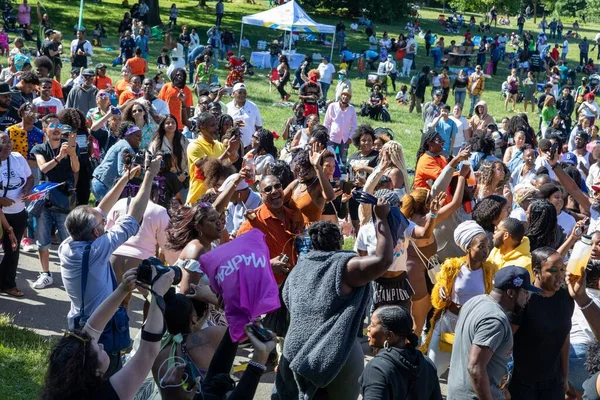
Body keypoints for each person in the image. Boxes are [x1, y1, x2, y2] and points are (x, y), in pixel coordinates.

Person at [273, 201, 394, 400]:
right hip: (334, 353)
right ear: (338, 242)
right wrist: (381, 218)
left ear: (313, 243)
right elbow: (383, 260)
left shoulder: (298, 269)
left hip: (294, 350)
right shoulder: (345, 267)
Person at [60, 155, 161, 375]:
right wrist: (150, 174)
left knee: (82, 376)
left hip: (79, 324)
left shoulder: (68, 244)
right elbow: (134, 215)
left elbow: (98, 211)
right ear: (96, 232)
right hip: (102, 331)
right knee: (107, 378)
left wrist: (124, 179)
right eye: (103, 224)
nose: (106, 223)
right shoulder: (99, 249)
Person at [446, 266, 541, 399]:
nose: (528, 297)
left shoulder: (475, 301)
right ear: (511, 293)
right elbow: (475, 367)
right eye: (525, 292)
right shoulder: (495, 319)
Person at [423, 220, 497, 378]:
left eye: (488, 247)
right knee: (432, 368)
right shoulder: (452, 267)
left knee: (466, 372)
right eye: (481, 247)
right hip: (449, 322)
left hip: (473, 326)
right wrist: (441, 290)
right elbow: (439, 292)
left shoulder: (490, 271)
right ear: (468, 248)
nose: (486, 251)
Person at [509, 247, 576, 400]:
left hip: (553, 383)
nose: (560, 275)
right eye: (552, 270)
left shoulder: (566, 297)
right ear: (536, 271)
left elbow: (564, 338)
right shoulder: (524, 300)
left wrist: (564, 377)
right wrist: (504, 382)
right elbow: (507, 341)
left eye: (561, 269)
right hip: (522, 384)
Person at [30, 114, 80, 290]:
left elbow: (76, 168)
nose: (56, 128)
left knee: (69, 241)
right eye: (51, 126)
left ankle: (72, 274)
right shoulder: (39, 148)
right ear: (45, 130)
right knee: (43, 241)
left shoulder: (70, 146)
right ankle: (45, 274)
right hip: (45, 202)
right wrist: (60, 156)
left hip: (64, 201)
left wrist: (72, 154)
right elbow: (43, 168)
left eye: (58, 125)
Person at [360, 305, 442, 399]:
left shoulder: (377, 369)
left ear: (389, 336)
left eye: (373, 325)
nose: (368, 328)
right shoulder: (427, 364)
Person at [0, 132, 33, 297]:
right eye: (3, 142)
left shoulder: (18, 158)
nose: (8, 145)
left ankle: (7, 284)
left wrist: (27, 189)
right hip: (1, 215)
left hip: (18, 213)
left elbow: (30, 177)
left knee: (12, 250)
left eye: (9, 142)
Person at [186, 112, 240, 205]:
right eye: (212, 125)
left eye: (216, 124)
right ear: (201, 127)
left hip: (218, 200)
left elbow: (228, 167)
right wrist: (227, 152)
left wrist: (233, 152)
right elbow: (207, 168)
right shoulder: (194, 146)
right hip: (197, 200)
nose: (216, 128)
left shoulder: (219, 145)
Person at [91, 122, 143, 202]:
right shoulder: (125, 147)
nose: (140, 139)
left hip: (100, 182)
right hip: (103, 185)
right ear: (129, 136)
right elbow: (122, 172)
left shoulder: (122, 143)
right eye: (137, 136)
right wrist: (137, 171)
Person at [286, 147, 335, 225]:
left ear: (313, 169)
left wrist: (317, 166)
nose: (301, 172)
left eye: (306, 169)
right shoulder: (296, 184)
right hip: (292, 232)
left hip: (310, 234)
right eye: (299, 169)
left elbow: (330, 197)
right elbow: (278, 200)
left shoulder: (318, 185)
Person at [323, 89, 357, 170]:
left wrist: (350, 137)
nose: (345, 97)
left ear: (350, 98)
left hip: (345, 139)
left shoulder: (351, 109)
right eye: (344, 95)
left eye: (348, 96)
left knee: (343, 158)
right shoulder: (333, 106)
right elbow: (326, 122)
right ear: (341, 96)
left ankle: (343, 174)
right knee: (330, 157)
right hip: (332, 137)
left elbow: (354, 125)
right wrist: (325, 135)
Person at [225, 83, 262, 149]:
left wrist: (254, 140)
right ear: (233, 94)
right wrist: (233, 125)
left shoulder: (253, 107)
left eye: (244, 93)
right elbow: (222, 127)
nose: (242, 95)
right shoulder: (227, 107)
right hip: (231, 144)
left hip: (249, 145)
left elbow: (259, 127)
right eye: (240, 92)